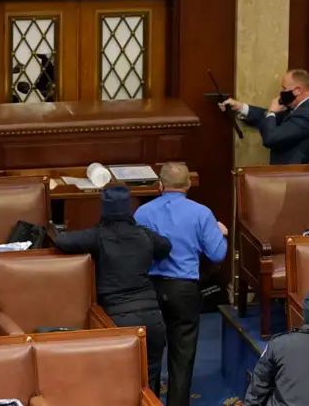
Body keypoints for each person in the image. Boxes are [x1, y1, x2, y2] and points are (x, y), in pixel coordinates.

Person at [53, 185, 170, 397]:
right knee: (150, 386)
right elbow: (165, 246)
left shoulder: (97, 236)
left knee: (120, 386)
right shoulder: (145, 235)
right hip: (153, 319)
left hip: (118, 320)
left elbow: (62, 241)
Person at [134, 162, 228, 406]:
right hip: (184, 290)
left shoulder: (141, 213)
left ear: (159, 186)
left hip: (149, 289)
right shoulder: (201, 213)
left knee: (150, 354)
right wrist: (221, 233)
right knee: (182, 355)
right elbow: (217, 255)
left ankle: (150, 401)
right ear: (188, 184)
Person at [218, 69, 309, 165]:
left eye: (284, 89)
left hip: (295, 176)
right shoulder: (297, 107)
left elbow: (271, 138)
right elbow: (268, 118)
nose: (281, 93)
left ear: (297, 91)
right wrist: (240, 107)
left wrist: (271, 112)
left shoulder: (306, 112)